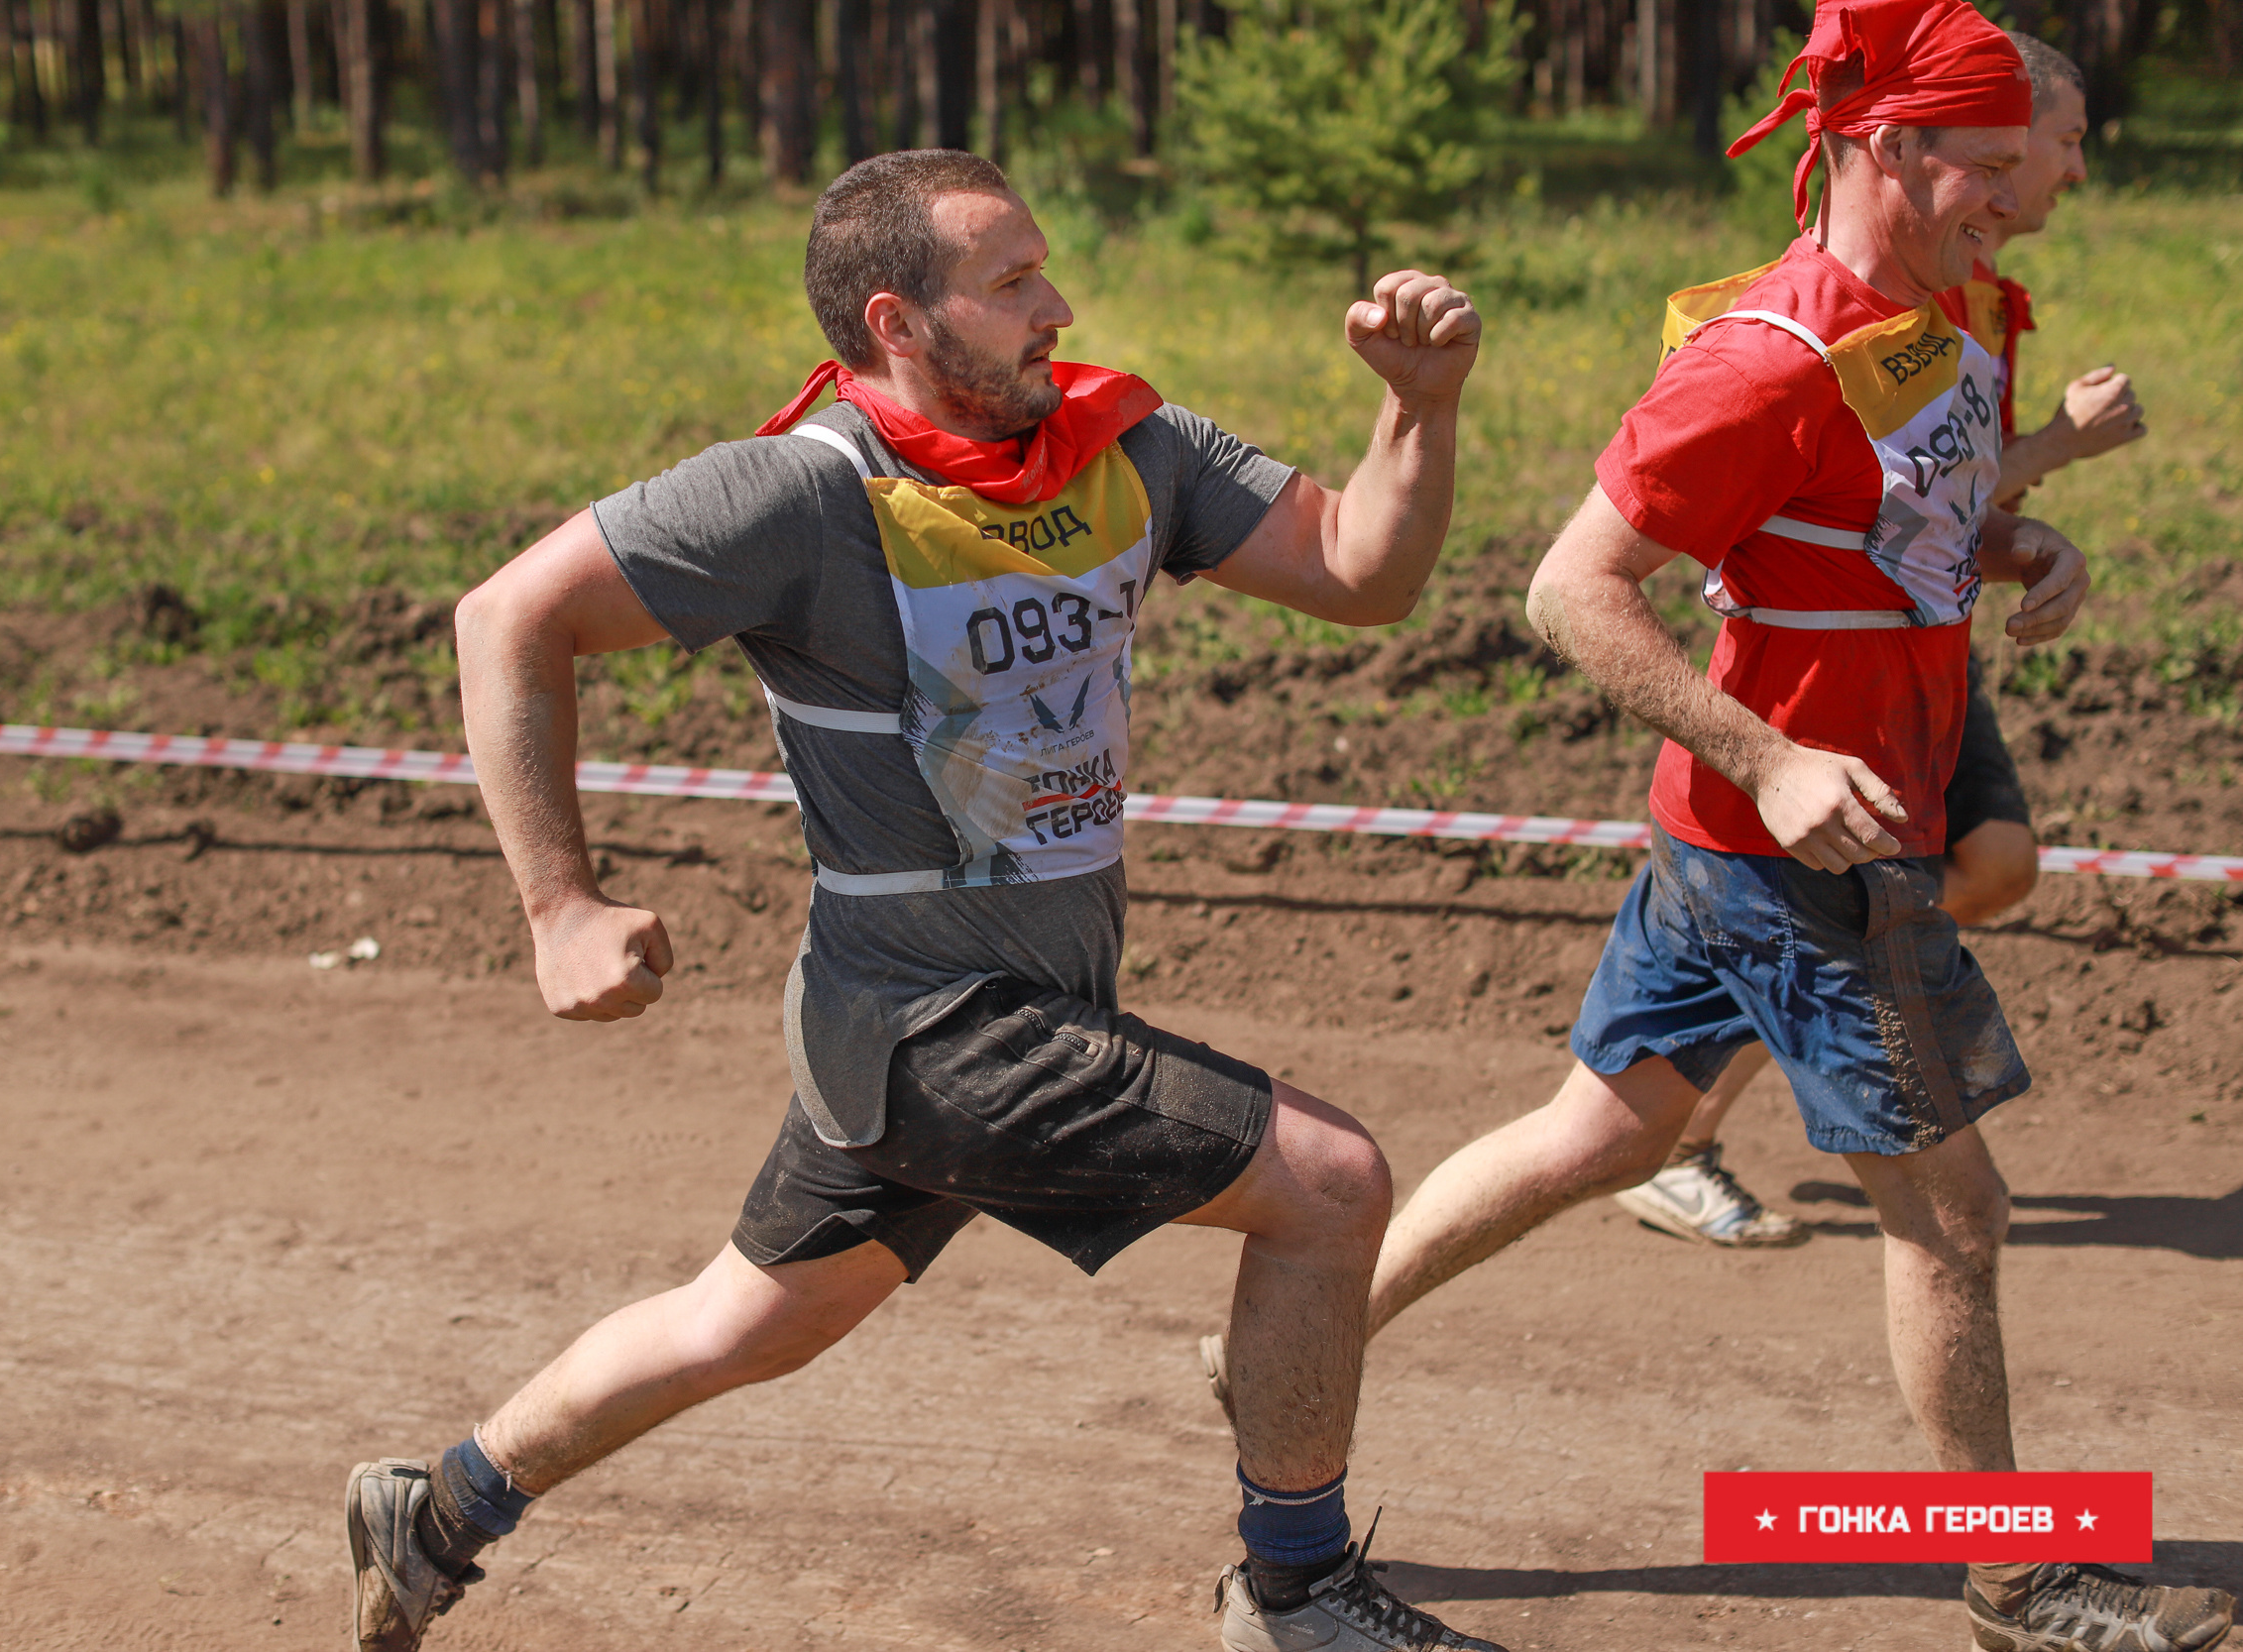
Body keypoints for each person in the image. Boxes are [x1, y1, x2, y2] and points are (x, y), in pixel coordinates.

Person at [345, 150, 1508, 1652]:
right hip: (929, 1025)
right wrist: (558, 903)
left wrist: (1418, 408)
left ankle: (438, 1506)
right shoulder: (798, 490)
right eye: (1010, 282)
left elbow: (1360, 570)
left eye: (1044, 267)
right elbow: (507, 614)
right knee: (1330, 1182)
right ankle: (1296, 1593)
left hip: (986, 1011)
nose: (1057, 305)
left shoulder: (1121, 444)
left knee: (747, 1318)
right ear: (897, 321)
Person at [1215, 3, 2236, 1647]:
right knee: (1955, 1214)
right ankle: (2020, 1578)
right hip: (1801, 852)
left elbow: (1897, 524)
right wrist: (1770, 760)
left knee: (1602, 1136)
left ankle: (1279, 1345)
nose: (2018, 196)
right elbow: (1572, 588)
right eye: (1988, 165)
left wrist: (2016, 546)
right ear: (1887, 147)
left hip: (1765, 833)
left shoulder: (1939, 310)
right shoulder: (1764, 359)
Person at [1608, 27, 2152, 1253]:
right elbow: (1609, 569)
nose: (2069, 170)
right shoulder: (1852, 309)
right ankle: (1702, 1120)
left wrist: (2029, 539)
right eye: (2054, 142)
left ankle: (1701, 1102)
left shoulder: (1971, 290)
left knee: (1993, 864)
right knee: (1953, 1206)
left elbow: (1935, 498)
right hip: (1842, 667)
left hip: (1926, 641)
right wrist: (2058, 446)